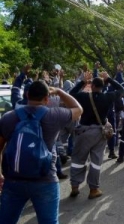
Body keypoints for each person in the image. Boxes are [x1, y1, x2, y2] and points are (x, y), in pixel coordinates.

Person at [0, 81, 83, 223]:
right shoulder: (54, 115)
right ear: (47, 98)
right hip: (45, 179)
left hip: (14, 179)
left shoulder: (9, 117)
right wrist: (59, 91)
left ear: (27, 95)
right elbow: (78, 109)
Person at [69, 70, 124, 199]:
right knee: (96, 161)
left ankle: (74, 186)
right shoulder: (107, 97)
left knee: (78, 159)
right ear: (103, 86)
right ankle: (93, 189)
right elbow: (121, 89)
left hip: (83, 131)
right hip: (100, 132)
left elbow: (71, 94)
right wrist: (109, 79)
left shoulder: (83, 96)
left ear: (92, 86)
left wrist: (82, 81)